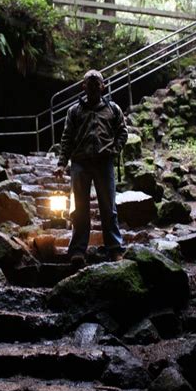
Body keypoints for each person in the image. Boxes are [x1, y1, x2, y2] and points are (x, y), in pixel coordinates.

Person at [54, 69, 128, 267]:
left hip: (104, 163)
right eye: (90, 82)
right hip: (80, 163)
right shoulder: (74, 111)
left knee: (108, 208)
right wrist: (62, 163)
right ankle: (78, 250)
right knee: (79, 208)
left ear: (103, 86)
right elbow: (67, 138)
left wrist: (115, 149)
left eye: (98, 83)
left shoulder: (113, 109)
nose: (94, 86)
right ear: (83, 86)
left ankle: (115, 249)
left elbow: (122, 131)